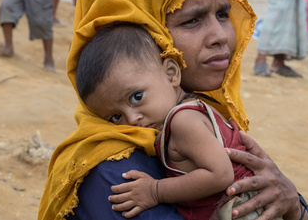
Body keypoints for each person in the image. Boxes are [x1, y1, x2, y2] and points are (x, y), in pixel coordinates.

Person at [38, 0, 308, 220]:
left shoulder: (189, 119)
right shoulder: (116, 174)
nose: (220, 36)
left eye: (223, 14)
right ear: (149, 31)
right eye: (192, 20)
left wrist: (294, 206)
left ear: (171, 72)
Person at [77, 24, 270, 220]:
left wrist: (155, 190)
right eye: (116, 117)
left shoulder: (183, 121)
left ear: (171, 73)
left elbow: (220, 175)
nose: (132, 119)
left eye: (136, 97)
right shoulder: (191, 110)